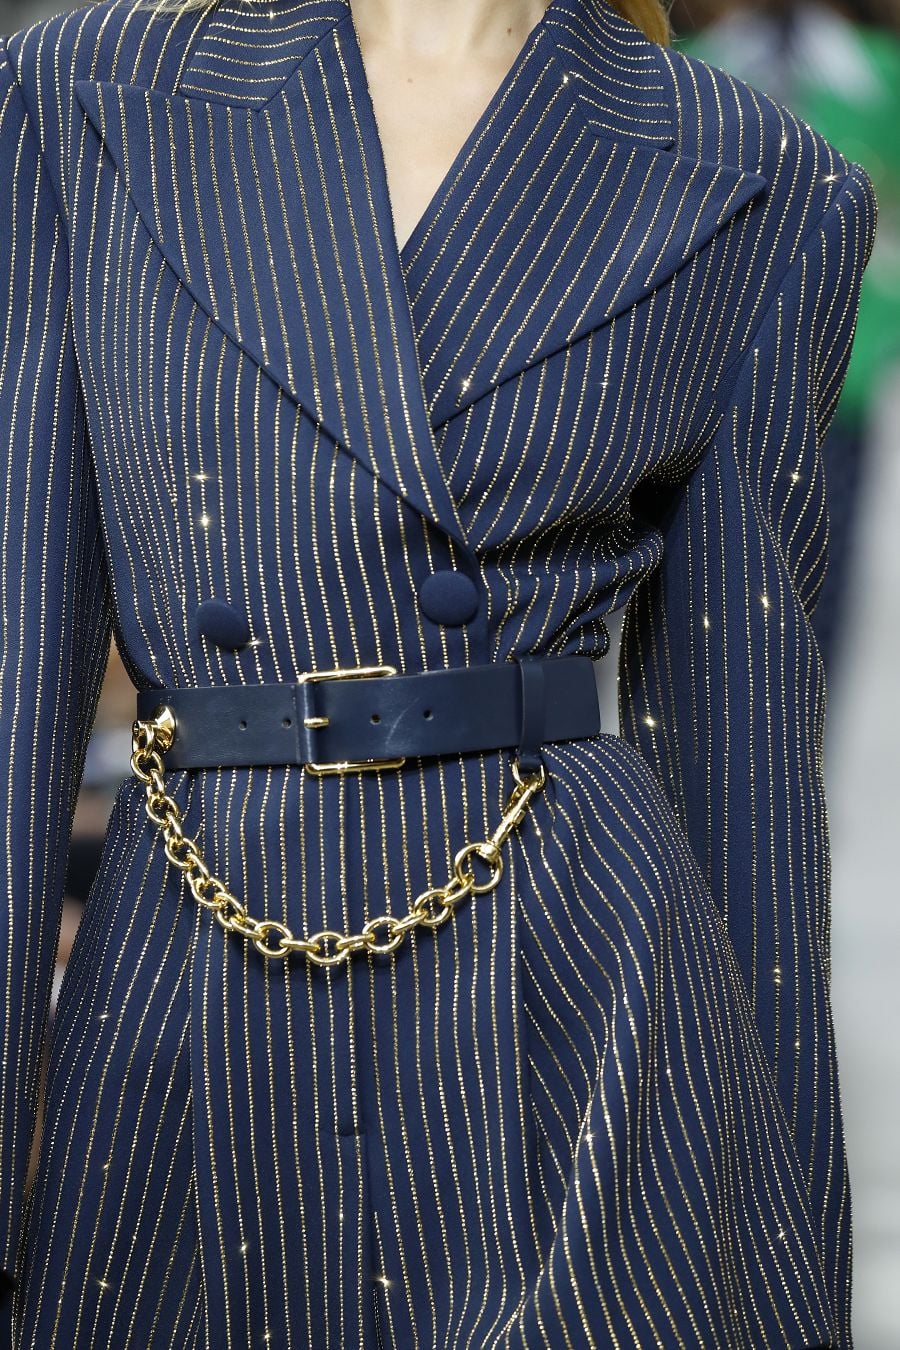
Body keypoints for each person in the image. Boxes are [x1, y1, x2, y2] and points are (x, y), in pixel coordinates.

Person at [0, 0, 876, 1344]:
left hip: (569, 981)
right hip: (192, 965)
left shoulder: (762, 176)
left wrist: (788, 1279)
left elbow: (747, 771)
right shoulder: (81, 96)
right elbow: (17, 680)